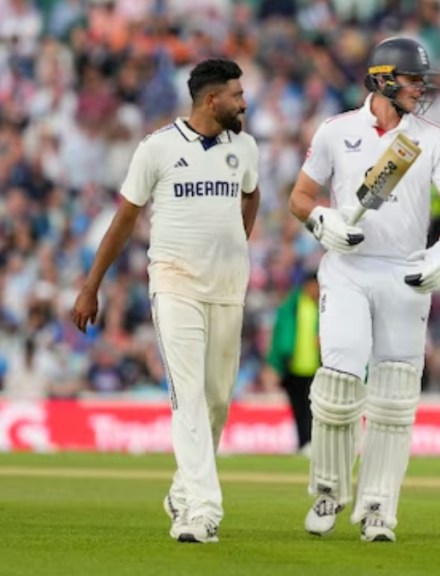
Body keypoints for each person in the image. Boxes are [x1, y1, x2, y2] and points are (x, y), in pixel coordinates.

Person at [71, 58, 261, 544]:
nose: (244, 103)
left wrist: (235, 244)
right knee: (188, 395)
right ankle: (202, 510)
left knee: (217, 400)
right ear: (212, 100)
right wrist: (92, 285)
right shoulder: (157, 147)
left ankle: (182, 491)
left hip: (228, 287)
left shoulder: (244, 147)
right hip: (175, 284)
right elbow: (124, 219)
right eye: (237, 95)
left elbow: (251, 195)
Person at [288, 36, 440, 543]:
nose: (420, 90)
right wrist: (321, 220)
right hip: (348, 267)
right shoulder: (336, 130)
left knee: (394, 395)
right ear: (383, 79)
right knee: (339, 382)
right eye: (412, 81)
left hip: (406, 272)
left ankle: (378, 508)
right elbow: (300, 197)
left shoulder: (432, 138)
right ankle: (329, 490)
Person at [268, 271, 321, 454]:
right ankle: (303, 443)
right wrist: (278, 361)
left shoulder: (322, 306)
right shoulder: (292, 305)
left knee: (314, 409)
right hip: (293, 366)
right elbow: (281, 334)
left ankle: (313, 442)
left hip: (315, 367)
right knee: (299, 408)